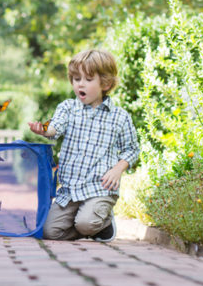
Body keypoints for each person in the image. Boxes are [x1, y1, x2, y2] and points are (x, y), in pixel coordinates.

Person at [28, 48, 139, 242]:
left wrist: (118, 169)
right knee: (49, 232)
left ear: (104, 83)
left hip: (100, 187)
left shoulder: (119, 117)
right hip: (70, 189)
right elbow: (55, 127)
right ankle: (89, 224)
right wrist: (44, 130)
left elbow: (132, 149)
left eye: (88, 79)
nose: (81, 84)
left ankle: (100, 223)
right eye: (76, 79)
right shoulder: (68, 108)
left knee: (86, 223)